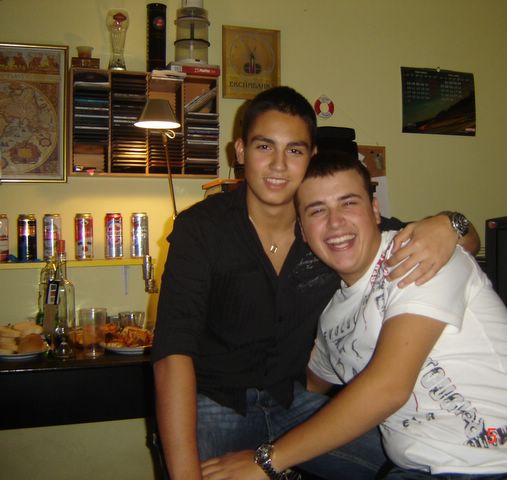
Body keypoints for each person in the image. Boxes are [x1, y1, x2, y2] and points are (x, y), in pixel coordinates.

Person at [151, 86, 480, 480]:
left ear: (311, 157)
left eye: (294, 150)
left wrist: (449, 224)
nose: (278, 165)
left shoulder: (330, 231)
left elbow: (464, 241)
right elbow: (173, 355)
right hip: (214, 403)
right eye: (264, 147)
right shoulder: (200, 229)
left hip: (294, 404)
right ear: (239, 151)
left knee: (408, 463)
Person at [202, 150, 507, 480]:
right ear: (302, 228)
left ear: (375, 209)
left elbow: (389, 387)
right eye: (317, 210)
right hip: (414, 470)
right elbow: (309, 386)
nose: (335, 223)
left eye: (348, 203)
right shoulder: (332, 319)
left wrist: (266, 461)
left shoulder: (421, 253)